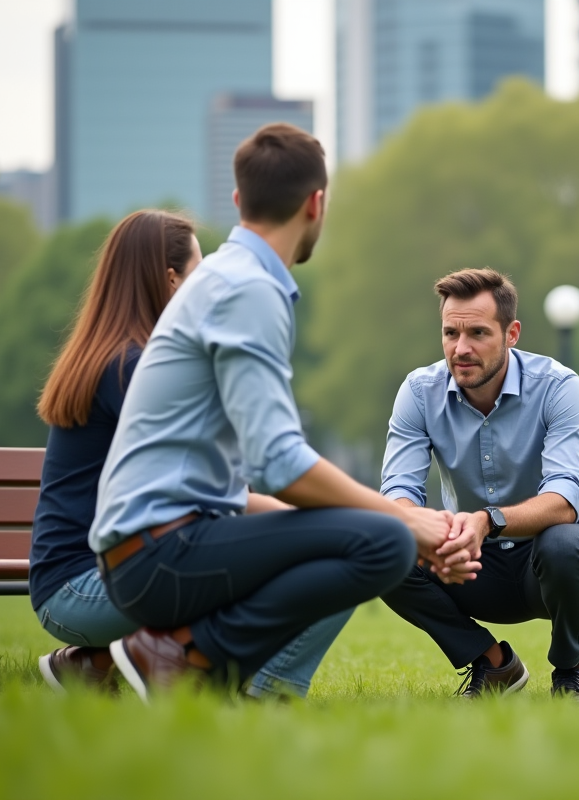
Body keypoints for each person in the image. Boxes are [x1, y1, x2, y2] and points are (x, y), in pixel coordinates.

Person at [88, 123, 451, 702]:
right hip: (156, 552)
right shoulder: (248, 290)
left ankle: (194, 665)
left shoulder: (222, 278)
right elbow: (281, 464)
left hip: (146, 544)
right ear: (316, 203)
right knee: (382, 542)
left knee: (365, 532)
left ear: (239, 201)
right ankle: (181, 659)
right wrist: (410, 519)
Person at [31, 209, 353, 700]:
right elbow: (230, 499)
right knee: (338, 550)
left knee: (315, 545)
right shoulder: (133, 369)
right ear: (170, 279)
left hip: (74, 584)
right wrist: (325, 518)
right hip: (89, 587)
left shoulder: (114, 357)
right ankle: (262, 695)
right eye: (199, 275)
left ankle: (97, 664)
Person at [379, 268, 579, 700]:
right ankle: (493, 664)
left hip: (557, 562)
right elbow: (398, 493)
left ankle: (569, 668)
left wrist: (488, 521)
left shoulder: (558, 386)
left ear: (512, 334)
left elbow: (565, 499)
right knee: (384, 545)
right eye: (451, 333)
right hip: (470, 562)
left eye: (478, 333)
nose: (461, 348)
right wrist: (432, 532)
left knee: (565, 542)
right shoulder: (418, 391)